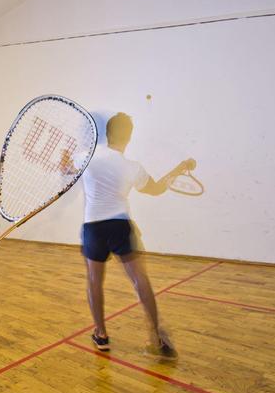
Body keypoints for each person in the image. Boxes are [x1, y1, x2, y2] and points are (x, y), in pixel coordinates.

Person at [80, 112, 194, 359]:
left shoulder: (87, 157)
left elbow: (66, 167)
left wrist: (65, 160)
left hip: (93, 228)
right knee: (139, 279)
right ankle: (158, 336)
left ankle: (101, 334)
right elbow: (156, 189)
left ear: (107, 134)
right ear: (129, 137)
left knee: (94, 281)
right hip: (120, 226)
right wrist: (179, 168)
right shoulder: (132, 167)